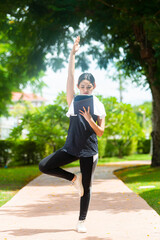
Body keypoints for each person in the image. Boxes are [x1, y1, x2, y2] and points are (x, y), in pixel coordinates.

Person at [39, 36, 106, 233]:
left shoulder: (99, 105)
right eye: (82, 86)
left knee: (87, 187)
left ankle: (81, 221)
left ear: (94, 87)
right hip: (71, 147)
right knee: (44, 165)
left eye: (89, 86)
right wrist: (72, 54)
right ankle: (72, 179)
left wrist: (90, 120)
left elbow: (101, 132)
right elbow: (69, 76)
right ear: (78, 87)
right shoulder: (73, 101)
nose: (85, 88)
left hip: (89, 151)